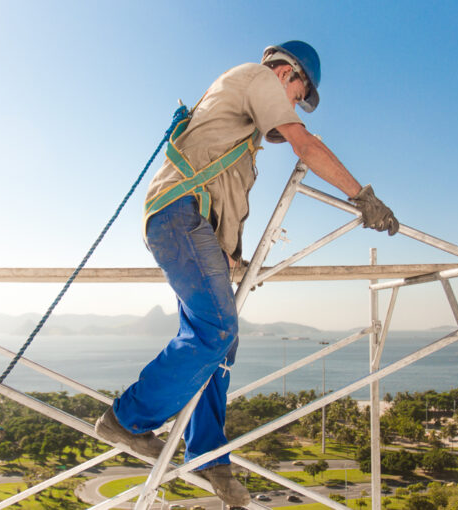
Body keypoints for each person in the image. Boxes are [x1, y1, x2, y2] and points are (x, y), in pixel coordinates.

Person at [96, 40, 398, 506]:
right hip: (177, 216)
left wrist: (231, 258)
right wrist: (362, 197)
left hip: (189, 225)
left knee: (221, 343)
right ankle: (127, 420)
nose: (296, 102)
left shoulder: (242, 139)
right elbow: (305, 144)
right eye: (300, 93)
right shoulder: (256, 78)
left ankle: (209, 458)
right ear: (287, 72)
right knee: (216, 329)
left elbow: (224, 199)